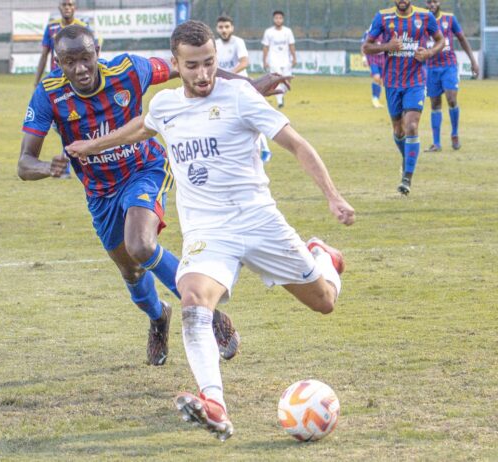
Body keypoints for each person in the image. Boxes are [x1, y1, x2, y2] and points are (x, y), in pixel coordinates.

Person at [65, 20, 355, 441]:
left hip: (258, 221)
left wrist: (333, 196)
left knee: (324, 302)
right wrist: (91, 147)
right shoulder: (166, 106)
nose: (203, 75)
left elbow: (297, 144)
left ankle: (323, 257)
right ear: (176, 64)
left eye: (209, 64)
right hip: (208, 232)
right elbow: (141, 127)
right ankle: (215, 403)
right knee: (193, 300)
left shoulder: (240, 96)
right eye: (193, 66)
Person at [18, 25, 287, 367]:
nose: (80, 69)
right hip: (99, 192)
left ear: (97, 52)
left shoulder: (129, 69)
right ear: (58, 62)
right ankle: (159, 317)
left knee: (141, 244)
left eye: (86, 58)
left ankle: (209, 315)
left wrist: (249, 86)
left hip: (144, 169)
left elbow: (185, 66)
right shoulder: (49, 93)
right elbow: (24, 163)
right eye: (70, 62)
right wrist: (47, 167)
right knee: (130, 271)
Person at [363, 0, 444, 196]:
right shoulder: (382, 17)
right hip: (391, 83)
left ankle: (407, 177)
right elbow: (367, 47)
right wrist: (387, 46)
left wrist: (430, 52)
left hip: (415, 81)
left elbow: (440, 40)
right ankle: (406, 158)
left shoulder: (425, 16)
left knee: (412, 126)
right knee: (398, 130)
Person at [424, 0, 479, 152]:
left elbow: (462, 39)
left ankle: (454, 134)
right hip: (431, 68)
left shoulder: (449, 19)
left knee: (451, 99)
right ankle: (436, 143)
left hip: (449, 66)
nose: (432, 4)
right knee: (435, 104)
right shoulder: (421, 20)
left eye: (434, 1)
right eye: (429, 2)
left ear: (439, 2)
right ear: (426, 3)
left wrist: (473, 61)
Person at [216, 15, 272, 163]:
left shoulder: (238, 42)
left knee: (251, 116)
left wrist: (229, 75)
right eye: (221, 27)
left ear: (232, 28)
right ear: (217, 29)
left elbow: (244, 62)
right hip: (223, 88)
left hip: (242, 87)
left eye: (227, 27)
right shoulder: (214, 45)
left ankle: (264, 149)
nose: (224, 30)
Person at [262, 10, 296, 109]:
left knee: (286, 80)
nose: (278, 20)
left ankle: (281, 95)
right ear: (273, 19)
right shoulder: (268, 32)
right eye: (276, 18)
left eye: (280, 18)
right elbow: (265, 47)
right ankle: (280, 101)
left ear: (283, 19)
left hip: (286, 60)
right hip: (273, 60)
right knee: (277, 80)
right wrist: (264, 61)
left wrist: (294, 57)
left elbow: (291, 45)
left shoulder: (288, 31)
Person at [360, 27, 385, 108]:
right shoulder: (369, 32)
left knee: (381, 81)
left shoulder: (386, 31)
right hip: (372, 58)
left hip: (383, 58)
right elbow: (363, 46)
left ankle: (376, 99)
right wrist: (364, 58)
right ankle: (375, 99)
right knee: (376, 77)